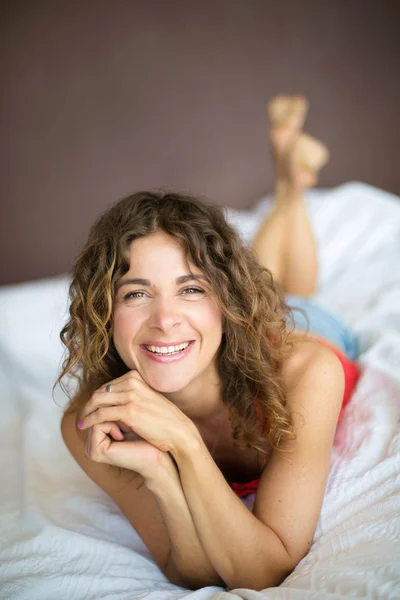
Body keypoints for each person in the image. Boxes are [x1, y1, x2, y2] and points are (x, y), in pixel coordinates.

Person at [59, 95, 360, 591]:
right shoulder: (89, 423)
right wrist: (158, 470)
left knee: (293, 294)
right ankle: (284, 186)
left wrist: (182, 441)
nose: (164, 320)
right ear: (104, 311)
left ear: (224, 302)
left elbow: (268, 570)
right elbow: (189, 571)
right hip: (229, 327)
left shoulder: (307, 371)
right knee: (253, 286)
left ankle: (289, 190)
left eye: (191, 288)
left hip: (309, 332)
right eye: (137, 294)